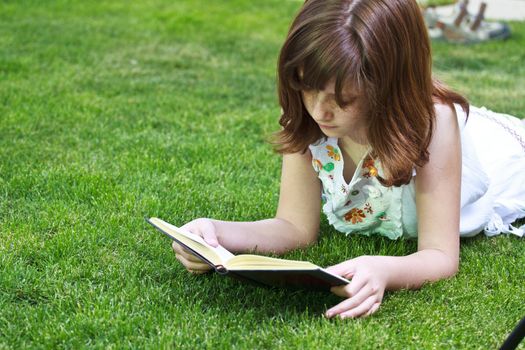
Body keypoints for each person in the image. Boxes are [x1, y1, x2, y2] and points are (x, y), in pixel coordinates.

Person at [172, 0, 525, 319]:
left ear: (389, 85)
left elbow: (440, 255)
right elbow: (294, 227)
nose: (319, 110)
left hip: (504, 157)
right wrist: (216, 233)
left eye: (343, 99)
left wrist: (385, 270)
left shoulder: (434, 125)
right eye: (307, 88)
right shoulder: (308, 114)